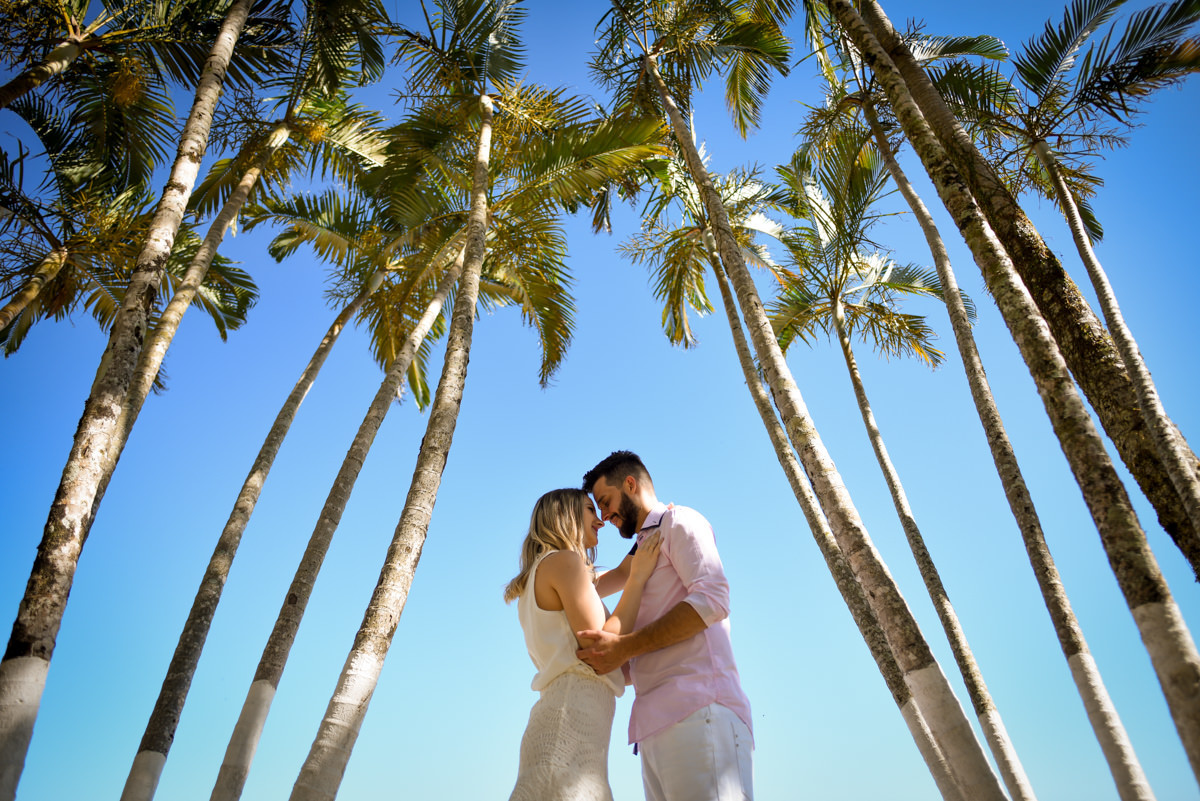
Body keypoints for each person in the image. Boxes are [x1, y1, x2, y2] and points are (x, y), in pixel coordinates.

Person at [577, 450, 754, 801]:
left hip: (700, 713)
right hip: (653, 730)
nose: (604, 514)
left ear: (630, 484)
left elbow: (713, 599)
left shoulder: (679, 522)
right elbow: (601, 580)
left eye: (606, 501)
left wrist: (624, 648)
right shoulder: (642, 547)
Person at [504, 488, 662, 801]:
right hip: (569, 722)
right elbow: (604, 646)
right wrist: (639, 580)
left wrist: (654, 523)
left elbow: (620, 572)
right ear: (567, 516)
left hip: (572, 719)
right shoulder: (564, 563)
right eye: (591, 510)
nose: (601, 521)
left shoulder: (552, 570)